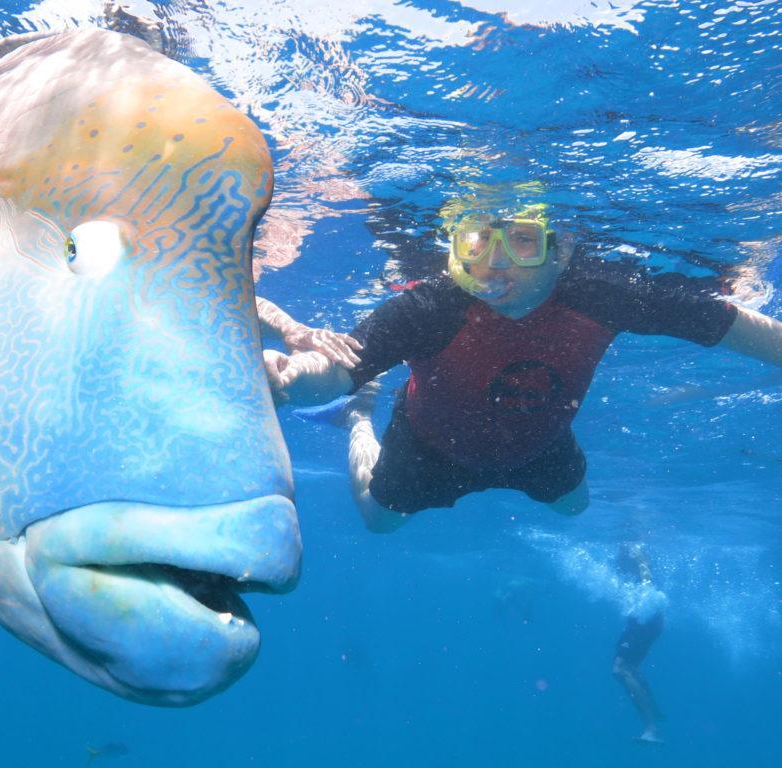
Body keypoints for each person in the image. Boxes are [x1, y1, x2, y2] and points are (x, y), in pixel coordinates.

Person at [260, 196, 782, 532]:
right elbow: (337, 368)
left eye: (523, 240)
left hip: (539, 444)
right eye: (478, 240)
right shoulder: (433, 306)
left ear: (562, 251)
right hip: (428, 446)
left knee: (575, 508)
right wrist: (289, 378)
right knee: (378, 519)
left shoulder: (601, 295)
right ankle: (358, 420)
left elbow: (732, 325)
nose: (495, 261)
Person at [612, 542, 666, 744]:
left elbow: (645, 572)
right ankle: (653, 709)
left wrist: (646, 598)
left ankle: (651, 728)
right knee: (629, 667)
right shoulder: (626, 551)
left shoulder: (634, 549)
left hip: (646, 617)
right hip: (647, 617)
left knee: (620, 668)